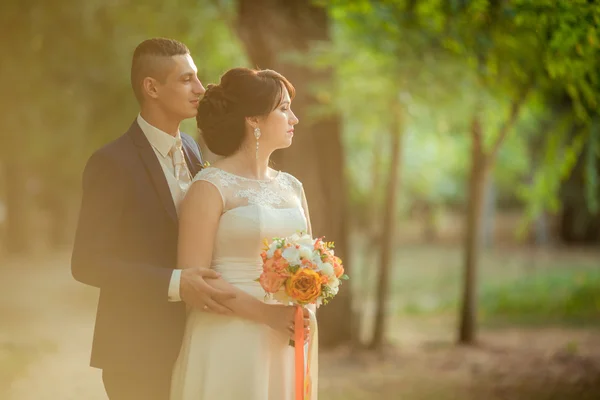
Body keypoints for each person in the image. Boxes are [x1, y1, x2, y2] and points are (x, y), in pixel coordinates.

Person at [71, 37, 243, 400]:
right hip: (137, 350)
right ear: (151, 87)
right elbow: (86, 264)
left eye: (197, 77)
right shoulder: (112, 163)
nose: (200, 89)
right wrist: (176, 283)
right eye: (186, 80)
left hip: (198, 340)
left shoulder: (195, 150)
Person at [170, 67, 318, 400]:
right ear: (254, 119)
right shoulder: (210, 186)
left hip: (284, 335)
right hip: (228, 335)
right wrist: (268, 315)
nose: (294, 119)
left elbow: (310, 259)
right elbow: (195, 281)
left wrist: (305, 308)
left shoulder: (292, 187)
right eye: (283, 109)